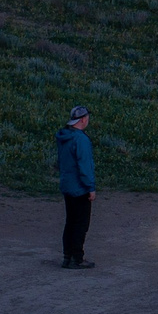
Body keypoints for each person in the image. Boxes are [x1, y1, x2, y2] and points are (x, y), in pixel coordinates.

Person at [55, 105, 97, 269]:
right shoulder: (81, 139)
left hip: (67, 185)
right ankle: (77, 258)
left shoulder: (64, 137)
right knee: (81, 224)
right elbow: (84, 166)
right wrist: (90, 187)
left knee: (70, 222)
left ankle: (67, 256)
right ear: (83, 119)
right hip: (80, 188)